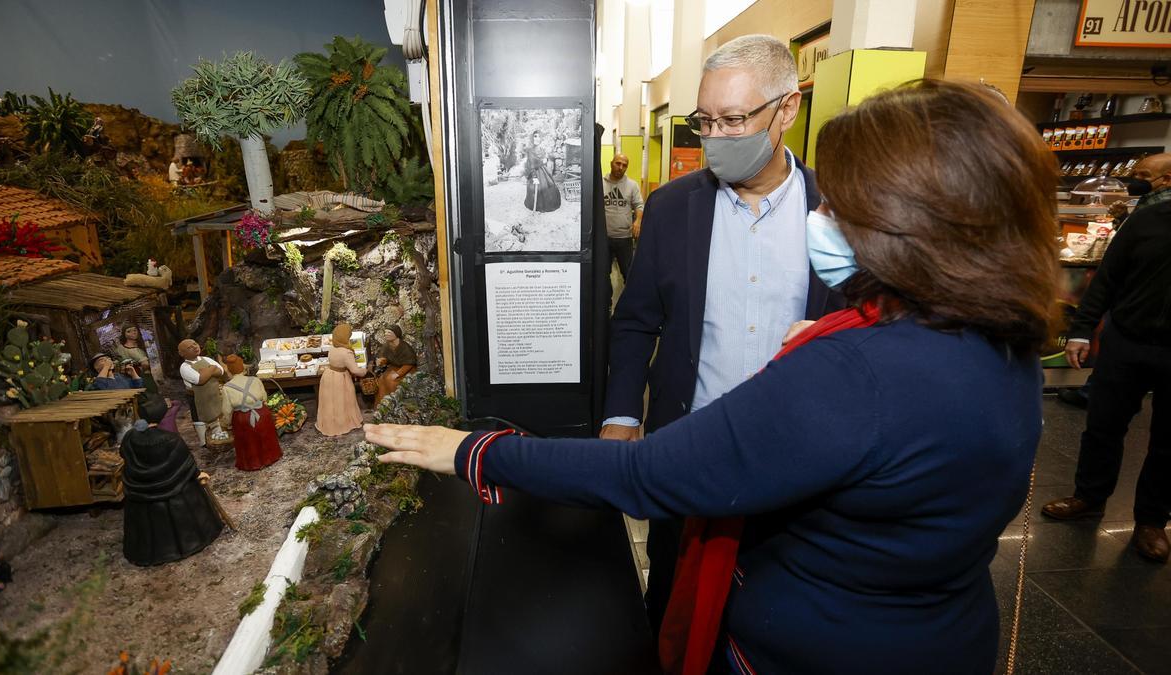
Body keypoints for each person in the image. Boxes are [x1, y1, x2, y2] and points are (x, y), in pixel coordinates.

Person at [364, 80, 1059, 674]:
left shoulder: (855, 371)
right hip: (942, 635)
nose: (820, 217)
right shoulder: (1001, 337)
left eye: (841, 206)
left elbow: (642, 476)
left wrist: (471, 450)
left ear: (907, 224)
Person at [599, 34, 845, 632]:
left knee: (778, 614)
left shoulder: (839, 215)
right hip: (689, 450)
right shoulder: (671, 208)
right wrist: (623, 415)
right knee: (675, 615)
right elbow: (636, 320)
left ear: (786, 109)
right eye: (705, 121)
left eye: (735, 120)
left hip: (801, 461)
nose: (716, 138)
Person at [1040, 152, 1171, 563]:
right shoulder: (1148, 220)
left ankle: (1151, 521)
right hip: (1127, 342)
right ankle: (1089, 497)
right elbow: (1107, 279)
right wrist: (1080, 331)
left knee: (1169, 443)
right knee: (1103, 427)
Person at [119, 396, 224, 566]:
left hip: (142, 495)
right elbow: (184, 462)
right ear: (162, 415)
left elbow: (124, 456)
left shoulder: (130, 438)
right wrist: (197, 474)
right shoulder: (170, 439)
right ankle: (187, 542)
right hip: (175, 493)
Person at [220, 354, 282, 471]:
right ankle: (271, 456)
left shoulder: (227, 388)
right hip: (262, 413)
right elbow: (264, 398)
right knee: (266, 436)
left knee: (248, 442)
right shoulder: (255, 380)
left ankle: (253, 462)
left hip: (243, 418)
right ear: (243, 367)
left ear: (228, 370)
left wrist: (227, 424)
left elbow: (227, 410)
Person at [315, 323, 367, 436]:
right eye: (349, 336)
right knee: (342, 401)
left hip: (328, 375)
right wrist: (364, 371)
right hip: (340, 378)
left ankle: (329, 424)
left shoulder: (333, 347)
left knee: (329, 402)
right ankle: (342, 424)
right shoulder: (346, 352)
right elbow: (355, 370)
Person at [602, 153, 644, 280]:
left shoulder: (632, 185)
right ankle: (605, 300)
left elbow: (639, 205)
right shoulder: (600, 183)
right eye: (618, 163)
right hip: (604, 238)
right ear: (611, 163)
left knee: (628, 274)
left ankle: (629, 300)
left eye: (624, 165)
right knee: (603, 275)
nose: (620, 167)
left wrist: (638, 221)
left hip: (624, 238)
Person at [178, 339, 227, 446]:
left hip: (213, 393)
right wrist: (212, 369)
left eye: (195, 344)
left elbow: (221, 371)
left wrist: (206, 371)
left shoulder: (206, 359)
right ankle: (204, 442)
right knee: (200, 419)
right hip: (197, 397)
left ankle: (217, 437)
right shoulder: (184, 367)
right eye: (190, 347)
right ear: (182, 353)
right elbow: (200, 380)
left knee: (216, 414)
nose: (195, 347)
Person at [372, 325, 418, 408]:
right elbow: (385, 358)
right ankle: (382, 405)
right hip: (394, 367)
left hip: (406, 369)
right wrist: (382, 361)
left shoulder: (405, 347)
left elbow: (409, 363)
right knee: (381, 379)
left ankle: (395, 406)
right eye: (385, 332)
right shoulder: (386, 346)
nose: (386, 334)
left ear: (396, 334)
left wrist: (398, 374)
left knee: (392, 381)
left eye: (389, 332)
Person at [113, 322, 158, 394]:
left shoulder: (125, 347)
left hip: (138, 377)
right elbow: (145, 364)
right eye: (129, 331)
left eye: (135, 330)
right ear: (124, 334)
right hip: (139, 376)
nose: (133, 333)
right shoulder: (128, 350)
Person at [523, 130, 561, 213]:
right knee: (536, 191)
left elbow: (546, 160)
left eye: (539, 136)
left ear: (541, 139)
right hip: (535, 172)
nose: (537, 138)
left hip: (543, 171)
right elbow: (531, 165)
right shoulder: (530, 151)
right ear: (532, 138)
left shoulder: (542, 150)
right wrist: (534, 177)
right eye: (535, 136)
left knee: (550, 187)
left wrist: (546, 160)